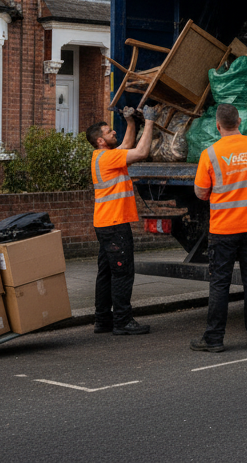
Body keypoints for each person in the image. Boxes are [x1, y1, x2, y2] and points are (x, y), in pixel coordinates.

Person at [190, 103, 247, 352]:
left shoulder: (210, 154)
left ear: (218, 126)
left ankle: (214, 340)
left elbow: (201, 192)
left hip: (224, 230)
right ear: (239, 122)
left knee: (219, 284)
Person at [87, 108, 155, 336]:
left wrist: (130, 122)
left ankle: (103, 320)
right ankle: (123, 321)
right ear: (100, 140)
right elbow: (142, 151)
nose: (112, 131)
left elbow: (126, 145)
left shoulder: (102, 156)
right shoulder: (107, 157)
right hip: (115, 225)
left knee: (106, 273)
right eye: (108, 131)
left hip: (105, 223)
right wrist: (150, 122)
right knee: (122, 273)